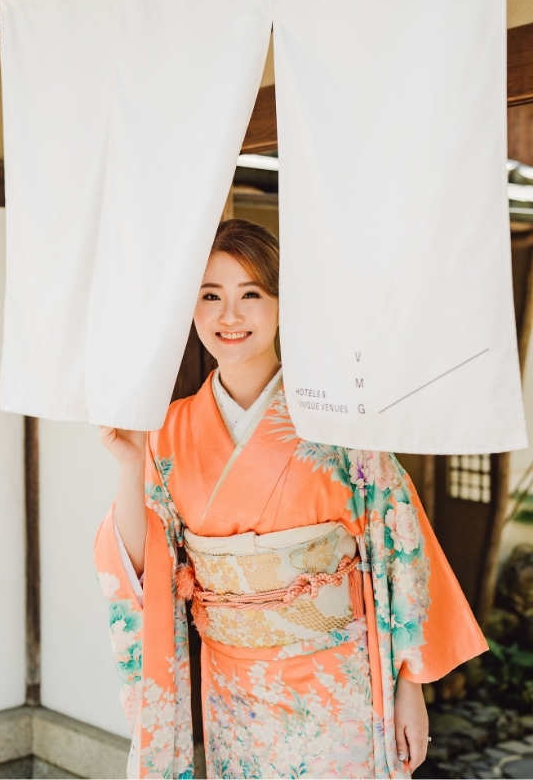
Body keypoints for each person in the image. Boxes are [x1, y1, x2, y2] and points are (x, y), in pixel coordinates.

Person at [94, 219, 487, 779]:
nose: (230, 316)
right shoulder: (166, 430)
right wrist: (130, 468)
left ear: (282, 304)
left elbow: (401, 548)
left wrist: (409, 688)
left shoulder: (337, 422)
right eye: (210, 296)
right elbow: (146, 564)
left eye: (250, 295)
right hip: (232, 689)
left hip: (336, 685)